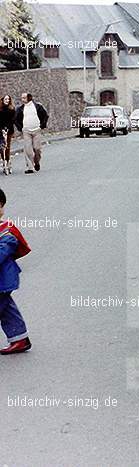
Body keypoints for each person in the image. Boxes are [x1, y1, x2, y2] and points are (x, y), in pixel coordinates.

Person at [0, 188, 32, 354]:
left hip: (3, 280)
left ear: (1, 207)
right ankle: (19, 338)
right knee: (6, 309)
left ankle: (19, 338)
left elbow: (3, 252)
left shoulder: (7, 231)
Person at [14, 93, 49, 174]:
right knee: (28, 149)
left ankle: (36, 162)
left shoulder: (37, 106)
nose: (22, 99)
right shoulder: (20, 108)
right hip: (26, 131)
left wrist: (42, 126)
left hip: (37, 130)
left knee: (37, 149)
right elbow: (15, 119)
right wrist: (21, 128)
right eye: (22, 98)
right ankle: (30, 167)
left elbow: (45, 115)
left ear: (29, 98)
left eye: (24, 98)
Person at [0, 95, 15, 175]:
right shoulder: (0, 109)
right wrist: (2, 129)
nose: (7, 100)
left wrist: (7, 128)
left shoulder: (12, 109)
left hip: (9, 130)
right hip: (1, 131)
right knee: (2, 147)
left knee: (7, 146)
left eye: (8, 99)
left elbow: (12, 120)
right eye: (6, 99)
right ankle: (4, 161)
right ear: (2, 100)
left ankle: (8, 161)